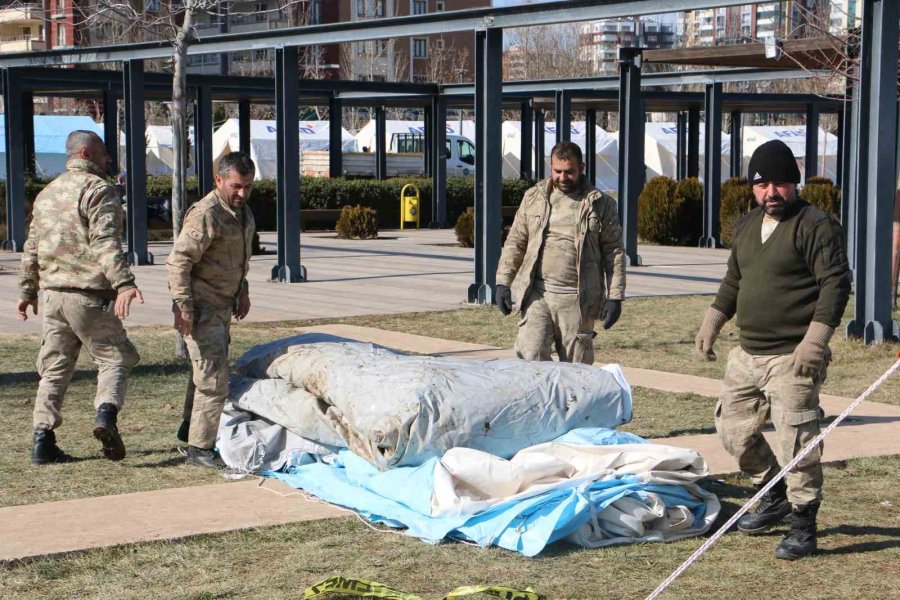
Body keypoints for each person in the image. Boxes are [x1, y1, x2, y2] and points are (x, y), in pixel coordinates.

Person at [695, 139, 851, 560]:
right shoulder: (746, 225)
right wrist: (712, 322)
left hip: (792, 357)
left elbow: (835, 284)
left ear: (795, 184)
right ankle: (774, 491)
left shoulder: (816, 225)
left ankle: (803, 525)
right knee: (734, 434)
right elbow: (733, 280)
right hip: (747, 354)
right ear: (753, 187)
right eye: (763, 185)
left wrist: (815, 342)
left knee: (796, 442)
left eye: (781, 184)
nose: (772, 193)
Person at [18, 130, 144, 464]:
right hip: (88, 295)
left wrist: (27, 290)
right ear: (86, 154)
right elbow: (105, 240)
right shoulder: (99, 191)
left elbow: (32, 245)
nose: (108, 160)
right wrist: (123, 283)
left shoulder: (47, 193)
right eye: (104, 153)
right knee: (115, 357)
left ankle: (42, 440)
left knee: (55, 367)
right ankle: (106, 415)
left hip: (53, 296)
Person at [494, 141, 626, 364]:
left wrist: (615, 297)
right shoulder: (533, 197)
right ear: (550, 167)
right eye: (558, 171)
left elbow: (614, 253)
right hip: (538, 294)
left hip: (577, 300)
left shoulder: (601, 204)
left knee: (576, 371)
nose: (563, 177)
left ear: (581, 168)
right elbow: (516, 242)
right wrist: (502, 282)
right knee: (530, 358)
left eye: (569, 172)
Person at [166, 152, 256, 468]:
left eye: (247, 186)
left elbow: (238, 259)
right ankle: (200, 449)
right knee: (213, 379)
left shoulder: (241, 213)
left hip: (222, 306)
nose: (242, 193)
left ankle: (190, 429)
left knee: (203, 373)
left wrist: (241, 292)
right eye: (235, 186)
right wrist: (183, 306)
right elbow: (179, 262)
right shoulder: (206, 214)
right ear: (219, 180)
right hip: (201, 308)